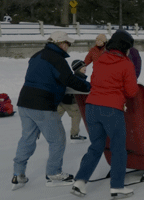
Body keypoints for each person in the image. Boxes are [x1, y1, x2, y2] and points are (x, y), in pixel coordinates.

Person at [12, 31, 91, 190]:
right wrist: (89, 87)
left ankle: (18, 173)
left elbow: (45, 77)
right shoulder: (57, 58)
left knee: (27, 138)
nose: (68, 47)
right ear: (61, 43)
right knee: (58, 139)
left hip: (24, 102)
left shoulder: (37, 55)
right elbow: (69, 79)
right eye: (68, 44)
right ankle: (54, 174)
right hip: (42, 104)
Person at [71, 30, 138, 198]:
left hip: (92, 107)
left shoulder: (100, 60)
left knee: (95, 147)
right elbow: (131, 92)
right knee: (118, 149)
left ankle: (80, 182)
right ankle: (117, 187)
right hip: (111, 110)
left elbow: (94, 81)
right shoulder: (126, 63)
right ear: (125, 47)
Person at [58, 60, 90, 143]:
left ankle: (41, 130)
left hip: (61, 101)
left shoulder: (73, 76)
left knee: (54, 117)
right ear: (77, 68)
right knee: (76, 115)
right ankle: (74, 134)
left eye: (85, 66)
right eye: (83, 66)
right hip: (71, 103)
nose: (85, 68)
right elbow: (84, 87)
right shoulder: (78, 77)